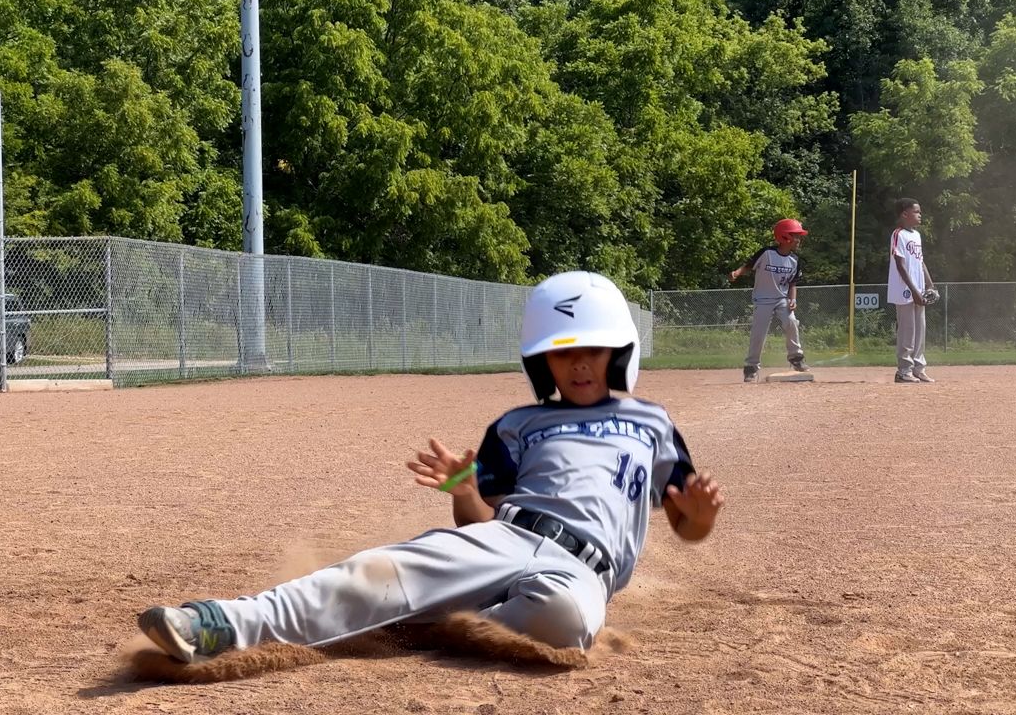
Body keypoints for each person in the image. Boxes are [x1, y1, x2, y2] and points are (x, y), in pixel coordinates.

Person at [136, 271, 725, 662]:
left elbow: (687, 527)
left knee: (563, 619)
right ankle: (218, 623)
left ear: (620, 353)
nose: (577, 367)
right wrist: (463, 487)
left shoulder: (651, 423)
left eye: (591, 351)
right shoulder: (517, 425)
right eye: (561, 354)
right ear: (542, 364)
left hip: (585, 573)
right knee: (376, 571)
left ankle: (431, 622)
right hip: (509, 533)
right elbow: (476, 523)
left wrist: (696, 517)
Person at [729, 219, 808, 383]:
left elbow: (793, 283)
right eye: (795, 236)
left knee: (791, 322)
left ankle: (796, 358)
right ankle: (751, 367)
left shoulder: (795, 260)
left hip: (781, 299)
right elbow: (749, 266)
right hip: (763, 299)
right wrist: (736, 273)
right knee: (759, 333)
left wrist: (793, 299)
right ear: (785, 237)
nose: (798, 240)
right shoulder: (767, 253)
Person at [887, 198, 936, 383]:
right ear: (904, 214)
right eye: (916, 212)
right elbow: (900, 264)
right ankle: (903, 371)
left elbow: (920, 262)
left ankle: (918, 368)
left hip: (919, 288)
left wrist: (930, 285)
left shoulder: (916, 235)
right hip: (904, 290)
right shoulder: (898, 234)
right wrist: (913, 290)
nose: (920, 215)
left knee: (920, 330)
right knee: (907, 331)